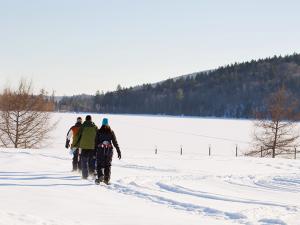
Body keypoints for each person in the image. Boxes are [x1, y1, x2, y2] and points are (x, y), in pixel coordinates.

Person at [95, 118, 121, 185]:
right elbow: (115, 142)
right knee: (108, 165)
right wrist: (118, 151)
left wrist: (94, 150)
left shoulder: (99, 131)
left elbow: (96, 142)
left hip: (100, 150)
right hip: (109, 151)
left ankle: (100, 176)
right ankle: (106, 179)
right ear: (107, 123)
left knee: (99, 165)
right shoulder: (111, 131)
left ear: (102, 123)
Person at [76, 115, 98, 179]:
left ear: (85, 119)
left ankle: (85, 176)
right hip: (92, 146)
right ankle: (91, 173)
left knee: (84, 161)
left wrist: (77, 143)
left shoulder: (83, 126)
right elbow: (98, 135)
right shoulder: (95, 126)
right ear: (91, 119)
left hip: (84, 146)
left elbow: (78, 135)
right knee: (92, 161)